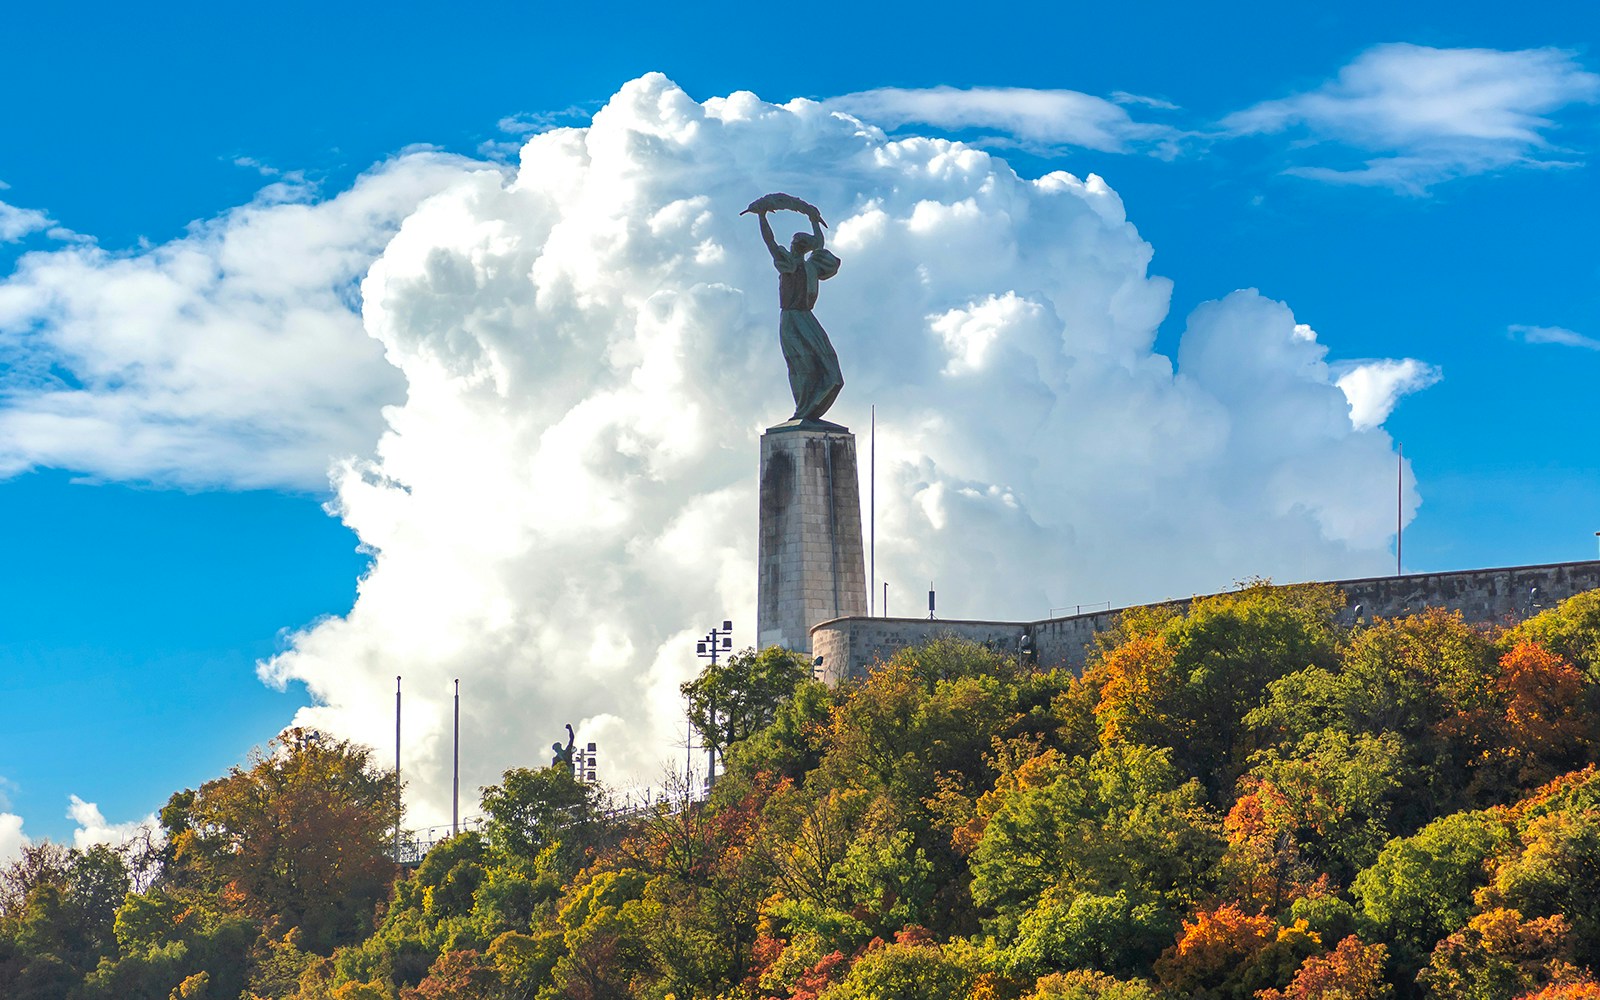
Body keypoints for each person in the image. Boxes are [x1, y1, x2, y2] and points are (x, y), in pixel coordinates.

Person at [757, 206, 844, 422]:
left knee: (830, 368)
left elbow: (819, 242)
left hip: (806, 317)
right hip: (792, 318)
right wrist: (762, 216)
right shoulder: (786, 264)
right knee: (802, 364)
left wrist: (812, 217)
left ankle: (809, 409)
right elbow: (769, 241)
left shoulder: (812, 266)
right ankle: (803, 410)